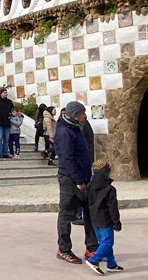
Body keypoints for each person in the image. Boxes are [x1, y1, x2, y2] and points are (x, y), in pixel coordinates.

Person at [54, 101, 99, 264]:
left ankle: (92, 248)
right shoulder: (65, 132)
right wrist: (78, 180)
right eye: (82, 112)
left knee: (89, 212)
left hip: (84, 177)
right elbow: (67, 158)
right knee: (67, 213)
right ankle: (64, 249)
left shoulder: (76, 128)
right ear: (75, 114)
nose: (85, 115)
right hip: (70, 179)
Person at [85, 159, 124, 275]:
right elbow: (113, 208)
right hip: (105, 220)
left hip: (94, 219)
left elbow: (86, 201)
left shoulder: (89, 186)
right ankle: (94, 260)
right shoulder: (110, 189)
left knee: (103, 242)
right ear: (106, 173)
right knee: (107, 243)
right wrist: (117, 223)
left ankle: (111, 264)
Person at [0, 90, 13, 159]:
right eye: (4, 93)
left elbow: (13, 110)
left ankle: (5, 153)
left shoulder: (9, 102)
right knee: (0, 138)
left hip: (7, 122)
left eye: (6, 92)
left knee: (6, 139)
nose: (6, 94)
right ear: (1, 93)